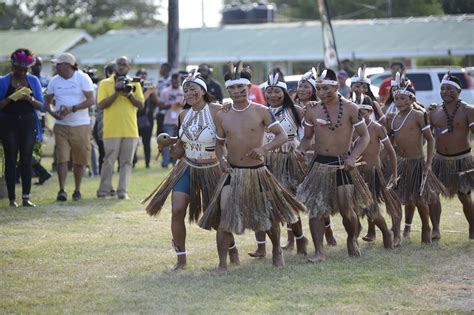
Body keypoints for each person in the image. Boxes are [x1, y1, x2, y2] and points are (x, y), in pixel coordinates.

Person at [199, 62, 306, 273]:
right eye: (233, 89)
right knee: (224, 217)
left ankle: (276, 250)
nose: (237, 92)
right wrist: (221, 160)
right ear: (228, 90)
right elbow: (219, 144)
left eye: (241, 88)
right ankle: (223, 263)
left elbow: (282, 135)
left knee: (266, 218)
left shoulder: (262, 112)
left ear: (249, 88)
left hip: (257, 172)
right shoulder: (223, 114)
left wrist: (264, 149)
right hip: (233, 172)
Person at [143, 71, 229, 270]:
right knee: (177, 210)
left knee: (217, 216)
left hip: (212, 167)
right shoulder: (183, 114)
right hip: (187, 167)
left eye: (194, 89)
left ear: (203, 91)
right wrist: (175, 149)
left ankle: (230, 251)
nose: (189, 93)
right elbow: (182, 143)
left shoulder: (218, 110)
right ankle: (181, 259)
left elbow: (228, 135)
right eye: (186, 90)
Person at [296, 68, 372, 262]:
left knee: (347, 209)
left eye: (326, 88)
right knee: (316, 209)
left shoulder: (350, 108)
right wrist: (301, 150)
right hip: (320, 165)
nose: (322, 93)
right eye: (319, 89)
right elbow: (307, 138)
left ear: (336, 87)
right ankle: (319, 252)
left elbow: (365, 136)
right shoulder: (312, 109)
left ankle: (352, 239)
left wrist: (353, 157)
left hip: (342, 165)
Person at [248, 72, 308, 258]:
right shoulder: (259, 110)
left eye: (277, 91)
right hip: (264, 161)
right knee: (261, 204)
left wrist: (300, 149)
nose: (273, 95)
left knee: (287, 204)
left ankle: (300, 240)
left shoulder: (296, 110)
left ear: (284, 92)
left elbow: (307, 133)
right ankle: (261, 246)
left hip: (288, 162)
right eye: (270, 91)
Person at [387, 82, 446, 243]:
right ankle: (397, 233)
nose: (398, 102)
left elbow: (430, 139)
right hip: (401, 163)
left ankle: (426, 227)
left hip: (417, 162)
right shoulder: (393, 118)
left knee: (419, 199)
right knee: (396, 198)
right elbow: (390, 142)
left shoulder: (418, 115)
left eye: (402, 98)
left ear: (411, 99)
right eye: (396, 98)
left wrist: (428, 163)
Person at [429, 73, 474, 240]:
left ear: (458, 90)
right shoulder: (435, 112)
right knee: (433, 194)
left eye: (449, 88)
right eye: (442, 88)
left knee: (464, 196)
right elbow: (427, 134)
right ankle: (435, 229)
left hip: (462, 160)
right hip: (440, 160)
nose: (445, 91)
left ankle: (472, 227)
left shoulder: (468, 110)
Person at [45, 52, 95, 202]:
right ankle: (61, 190)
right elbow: (46, 103)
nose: (56, 66)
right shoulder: (54, 81)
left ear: (68, 65)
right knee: (62, 159)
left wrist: (72, 108)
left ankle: (77, 190)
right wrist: (54, 115)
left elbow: (91, 100)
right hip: (61, 126)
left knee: (79, 160)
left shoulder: (82, 78)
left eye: (58, 64)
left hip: (81, 125)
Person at [353, 97, 402, 248]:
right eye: (358, 112)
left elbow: (391, 152)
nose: (362, 114)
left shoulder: (377, 128)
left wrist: (394, 175)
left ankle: (390, 233)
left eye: (365, 112)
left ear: (370, 112)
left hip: (373, 172)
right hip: (356, 173)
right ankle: (356, 232)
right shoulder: (351, 128)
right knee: (354, 207)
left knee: (371, 207)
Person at [0, 48, 44, 207]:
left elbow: (41, 105)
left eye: (25, 70)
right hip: (8, 123)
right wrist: (11, 98)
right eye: (19, 69)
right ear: (13, 66)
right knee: (10, 160)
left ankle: (26, 197)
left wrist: (29, 98)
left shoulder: (33, 81)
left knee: (26, 159)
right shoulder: (4, 81)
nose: (23, 72)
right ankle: (12, 199)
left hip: (28, 123)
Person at [96, 56, 144, 200]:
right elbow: (101, 105)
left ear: (128, 67)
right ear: (115, 66)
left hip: (130, 130)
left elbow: (141, 104)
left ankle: (122, 191)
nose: (122, 66)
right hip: (111, 130)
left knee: (127, 162)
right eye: (119, 64)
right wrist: (116, 93)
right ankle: (103, 190)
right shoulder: (105, 83)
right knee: (109, 161)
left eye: (124, 64)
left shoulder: (134, 83)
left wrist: (129, 95)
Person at [158, 73, 184, 168]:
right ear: (171, 81)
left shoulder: (184, 91)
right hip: (168, 121)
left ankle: (175, 163)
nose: (176, 83)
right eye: (174, 82)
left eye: (177, 81)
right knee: (166, 143)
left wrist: (181, 105)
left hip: (181, 121)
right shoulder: (165, 91)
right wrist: (171, 105)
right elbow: (160, 105)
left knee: (179, 143)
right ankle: (165, 162)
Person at [136, 69, 158, 168]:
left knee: (146, 142)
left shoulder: (148, 86)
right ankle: (133, 161)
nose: (143, 78)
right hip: (134, 118)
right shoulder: (133, 87)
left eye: (145, 76)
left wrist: (153, 92)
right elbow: (139, 102)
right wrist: (148, 92)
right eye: (141, 76)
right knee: (134, 142)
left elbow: (156, 102)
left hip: (147, 118)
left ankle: (147, 162)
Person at [155, 62, 172, 136]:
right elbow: (157, 94)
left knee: (169, 132)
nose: (160, 70)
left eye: (161, 68)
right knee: (160, 132)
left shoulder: (172, 81)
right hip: (160, 110)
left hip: (170, 111)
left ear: (166, 69)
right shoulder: (159, 81)